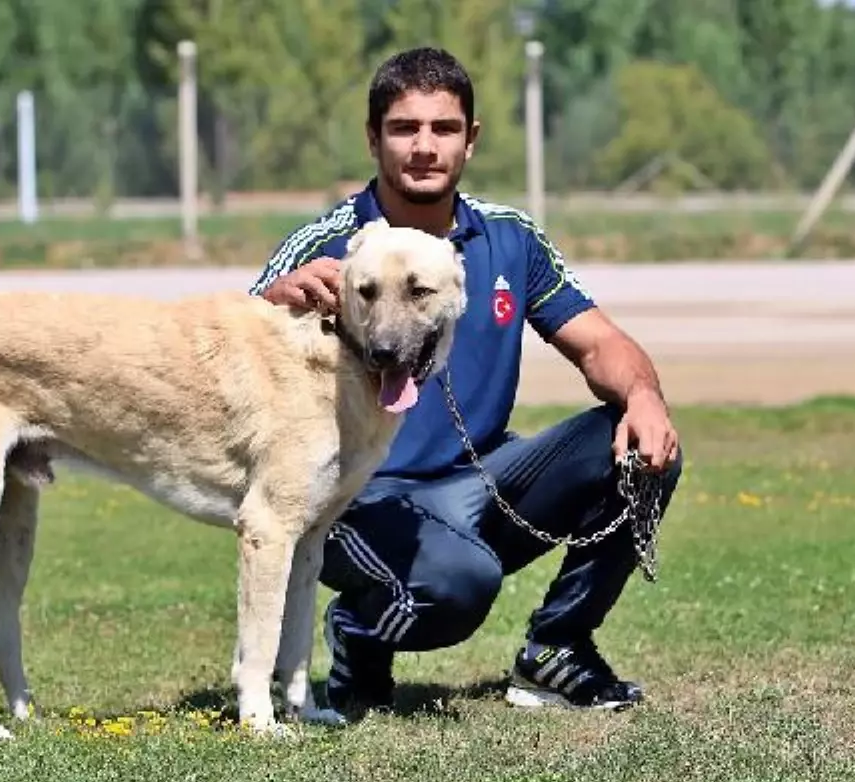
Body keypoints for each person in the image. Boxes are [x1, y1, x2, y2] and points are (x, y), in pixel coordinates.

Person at [248, 46, 683, 715]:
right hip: (357, 500)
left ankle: (558, 649)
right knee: (458, 586)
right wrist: (274, 305)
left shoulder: (511, 240)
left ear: (470, 140)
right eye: (404, 128)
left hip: (480, 480)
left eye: (443, 129)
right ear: (373, 138)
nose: (424, 147)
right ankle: (360, 632)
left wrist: (646, 397)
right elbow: (231, 352)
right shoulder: (331, 243)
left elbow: (601, 344)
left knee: (635, 446)